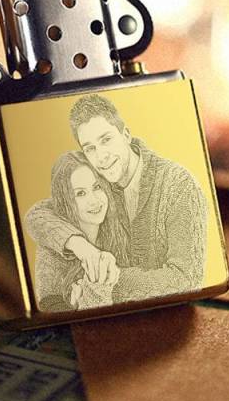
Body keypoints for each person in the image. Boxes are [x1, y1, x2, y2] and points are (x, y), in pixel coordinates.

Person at [26, 94, 207, 304]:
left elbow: (187, 281)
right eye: (90, 148)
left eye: (106, 140)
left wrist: (102, 280)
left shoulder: (178, 185)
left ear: (126, 135)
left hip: (170, 313)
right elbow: (39, 214)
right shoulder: (99, 182)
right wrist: (82, 247)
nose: (101, 156)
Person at [33, 152, 128, 312]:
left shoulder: (120, 226)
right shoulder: (51, 251)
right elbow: (53, 310)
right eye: (80, 193)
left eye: (97, 187)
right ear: (65, 201)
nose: (94, 201)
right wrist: (92, 293)